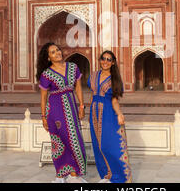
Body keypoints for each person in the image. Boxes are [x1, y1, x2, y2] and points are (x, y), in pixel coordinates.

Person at [37, 42, 87, 183]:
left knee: (75, 141)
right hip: (55, 111)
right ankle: (60, 175)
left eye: (58, 50)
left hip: (71, 107)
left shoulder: (73, 67)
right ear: (48, 58)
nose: (57, 53)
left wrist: (82, 106)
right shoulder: (46, 74)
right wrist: (44, 117)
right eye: (53, 52)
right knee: (60, 142)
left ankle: (73, 174)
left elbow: (78, 87)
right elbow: (43, 98)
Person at [88, 50, 132, 183]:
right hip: (94, 113)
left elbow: (114, 101)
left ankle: (119, 178)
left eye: (109, 59)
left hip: (108, 114)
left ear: (113, 63)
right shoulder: (94, 75)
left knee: (111, 146)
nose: (105, 62)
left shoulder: (115, 79)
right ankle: (106, 176)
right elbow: (92, 95)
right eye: (103, 58)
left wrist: (119, 114)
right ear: (100, 60)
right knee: (98, 146)